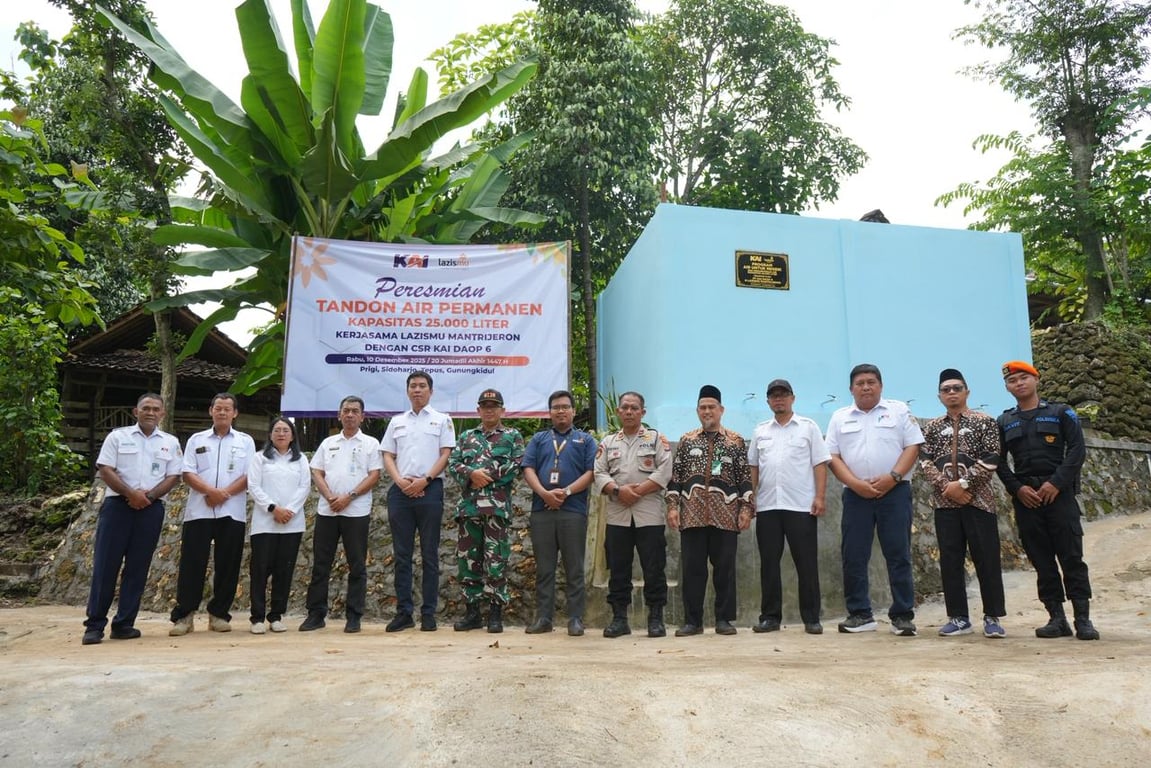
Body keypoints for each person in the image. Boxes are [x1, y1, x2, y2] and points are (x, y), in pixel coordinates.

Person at [996, 361, 1099, 640]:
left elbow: (1077, 451)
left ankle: (1083, 620)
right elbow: (999, 461)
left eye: (1023, 378)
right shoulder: (1004, 421)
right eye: (1012, 381)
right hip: (1027, 499)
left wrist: (1056, 483)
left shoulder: (1061, 412)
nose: (1019, 383)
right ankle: (1056, 618)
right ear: (1007, 387)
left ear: (1036, 379)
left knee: (1071, 558)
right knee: (1041, 560)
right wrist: (1017, 489)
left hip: (1059, 496)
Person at [825, 364, 924, 636]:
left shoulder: (899, 410)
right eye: (860, 383)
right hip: (856, 495)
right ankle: (860, 614)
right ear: (851, 389)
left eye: (871, 382)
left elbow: (913, 446)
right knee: (854, 554)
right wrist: (855, 484)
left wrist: (893, 477)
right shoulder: (839, 417)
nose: (866, 387)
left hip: (895, 491)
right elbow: (832, 456)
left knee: (898, 553)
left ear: (881, 386)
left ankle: (902, 615)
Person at [82, 393, 183, 645]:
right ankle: (94, 626)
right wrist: (131, 494)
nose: (150, 412)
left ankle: (124, 624)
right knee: (106, 565)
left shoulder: (170, 442)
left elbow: (173, 476)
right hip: (117, 507)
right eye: (146, 408)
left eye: (156, 409)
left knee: (138, 568)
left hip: (151, 508)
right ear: (136, 412)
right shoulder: (118, 436)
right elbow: (105, 468)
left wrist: (148, 496)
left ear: (162, 413)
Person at [918, 369, 1007, 639]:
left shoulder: (985, 422)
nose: (952, 393)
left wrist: (964, 485)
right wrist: (947, 488)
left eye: (957, 388)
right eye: (946, 389)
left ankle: (992, 617)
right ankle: (958, 618)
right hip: (945, 504)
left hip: (979, 502)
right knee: (950, 560)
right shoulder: (932, 427)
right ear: (939, 396)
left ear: (967, 392)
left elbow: (991, 457)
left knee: (987, 558)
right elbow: (925, 462)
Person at [666, 385, 754, 637]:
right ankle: (692, 621)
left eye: (711, 407)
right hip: (692, 515)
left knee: (725, 570)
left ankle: (724, 620)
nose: (707, 411)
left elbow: (744, 478)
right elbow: (676, 477)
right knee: (693, 570)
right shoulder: (687, 441)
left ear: (721, 410)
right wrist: (672, 507)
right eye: (703, 407)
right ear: (697, 411)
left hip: (725, 516)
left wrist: (746, 509)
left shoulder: (735, 441)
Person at [747, 379, 831, 635]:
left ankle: (811, 618)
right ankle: (770, 617)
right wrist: (750, 498)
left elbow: (819, 463)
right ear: (768, 401)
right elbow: (754, 467)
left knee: (806, 564)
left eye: (783, 395)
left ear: (792, 398)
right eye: (774, 396)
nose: (779, 399)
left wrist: (820, 497)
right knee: (769, 564)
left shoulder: (808, 427)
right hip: (768, 506)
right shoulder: (761, 431)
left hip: (801, 506)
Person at [170, 393, 256, 636]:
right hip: (199, 510)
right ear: (211, 411)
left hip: (232, 511)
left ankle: (219, 614)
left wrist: (223, 494)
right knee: (192, 563)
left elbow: (250, 474)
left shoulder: (245, 441)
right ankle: (184, 616)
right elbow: (187, 472)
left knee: (228, 564)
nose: (222, 412)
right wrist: (210, 492)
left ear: (235, 413)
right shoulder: (196, 439)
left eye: (227, 409)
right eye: (218, 408)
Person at [593, 391, 673, 638]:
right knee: (618, 568)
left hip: (649, 514)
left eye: (634, 408)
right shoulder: (608, 442)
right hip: (617, 515)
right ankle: (619, 619)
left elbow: (665, 471)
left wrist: (637, 492)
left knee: (654, 568)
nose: (629, 412)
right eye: (625, 408)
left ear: (642, 412)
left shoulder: (656, 439)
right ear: (618, 411)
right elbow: (599, 473)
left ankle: (655, 619)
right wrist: (618, 491)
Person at [381, 371, 456, 632]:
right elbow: (388, 455)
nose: (417, 390)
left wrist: (425, 480)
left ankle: (428, 613)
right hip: (400, 492)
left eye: (422, 386)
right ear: (407, 391)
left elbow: (445, 454)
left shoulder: (442, 420)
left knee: (429, 554)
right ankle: (404, 613)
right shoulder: (396, 421)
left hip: (430, 489)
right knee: (402, 556)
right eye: (413, 386)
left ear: (431, 391)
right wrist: (400, 481)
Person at [301, 395, 382, 633]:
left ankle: (354, 616)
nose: (350, 415)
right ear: (339, 415)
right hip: (327, 511)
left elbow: (374, 475)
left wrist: (349, 496)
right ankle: (316, 615)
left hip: (356, 511)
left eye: (355, 411)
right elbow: (317, 471)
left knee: (357, 565)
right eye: (346, 410)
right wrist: (329, 496)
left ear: (362, 416)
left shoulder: (371, 443)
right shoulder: (328, 443)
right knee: (321, 564)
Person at [447, 389, 524, 634]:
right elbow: (453, 463)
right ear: (478, 410)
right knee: (468, 562)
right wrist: (471, 474)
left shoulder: (512, 436)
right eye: (485, 406)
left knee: (496, 561)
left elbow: (516, 464)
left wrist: (484, 476)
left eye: (494, 406)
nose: (489, 410)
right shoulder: (467, 436)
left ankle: (495, 613)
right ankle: (472, 613)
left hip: (496, 509)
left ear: (502, 410)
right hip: (469, 509)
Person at [521, 390, 597, 636]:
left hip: (572, 511)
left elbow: (591, 472)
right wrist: (544, 493)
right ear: (549, 412)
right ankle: (544, 618)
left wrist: (565, 492)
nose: (561, 411)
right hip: (541, 510)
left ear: (573, 411)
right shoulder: (539, 439)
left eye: (565, 407)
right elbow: (528, 469)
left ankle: (575, 619)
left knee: (574, 567)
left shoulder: (585, 440)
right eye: (556, 407)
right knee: (544, 568)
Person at [246, 417, 311, 634]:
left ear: (292, 436)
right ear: (270, 434)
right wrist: (273, 508)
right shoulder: (260, 458)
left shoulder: (301, 459)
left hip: (292, 524)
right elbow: (253, 486)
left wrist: (288, 510)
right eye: (277, 430)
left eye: (285, 430)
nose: (281, 434)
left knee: (284, 571)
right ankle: (257, 617)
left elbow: (304, 487)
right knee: (260, 570)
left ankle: (276, 616)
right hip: (265, 523)